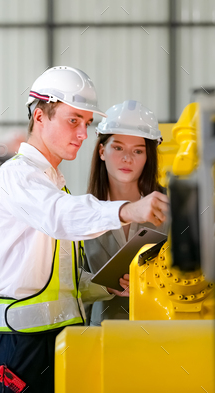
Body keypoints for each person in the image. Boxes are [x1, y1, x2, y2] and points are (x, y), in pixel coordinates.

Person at [0, 66, 170, 393]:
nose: (82, 134)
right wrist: (129, 209)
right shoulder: (18, 177)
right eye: (73, 120)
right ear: (40, 117)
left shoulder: (53, 185)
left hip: (51, 341)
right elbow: (60, 217)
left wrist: (104, 286)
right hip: (15, 346)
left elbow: (57, 280)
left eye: (87, 124)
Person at [84, 100, 169, 325]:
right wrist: (103, 286)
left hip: (161, 331)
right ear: (102, 151)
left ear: (148, 156)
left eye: (138, 151)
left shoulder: (169, 210)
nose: (127, 158)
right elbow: (69, 286)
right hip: (103, 334)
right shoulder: (82, 213)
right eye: (118, 147)